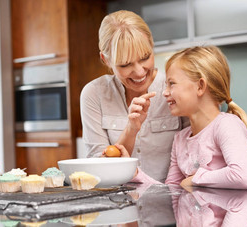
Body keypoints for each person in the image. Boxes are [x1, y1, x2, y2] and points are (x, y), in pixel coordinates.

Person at [121, 45, 247, 190]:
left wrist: (195, 179)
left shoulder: (227, 125)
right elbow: (171, 192)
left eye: (171, 84)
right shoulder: (180, 139)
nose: (165, 92)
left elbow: (243, 175)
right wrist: (135, 174)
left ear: (200, 86)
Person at [80, 10, 188, 182]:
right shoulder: (94, 93)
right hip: (118, 203)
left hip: (171, 203)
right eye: (125, 64)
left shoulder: (175, 88)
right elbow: (99, 170)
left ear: (152, 45)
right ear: (106, 59)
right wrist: (131, 129)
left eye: (145, 58)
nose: (139, 72)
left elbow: (196, 156)